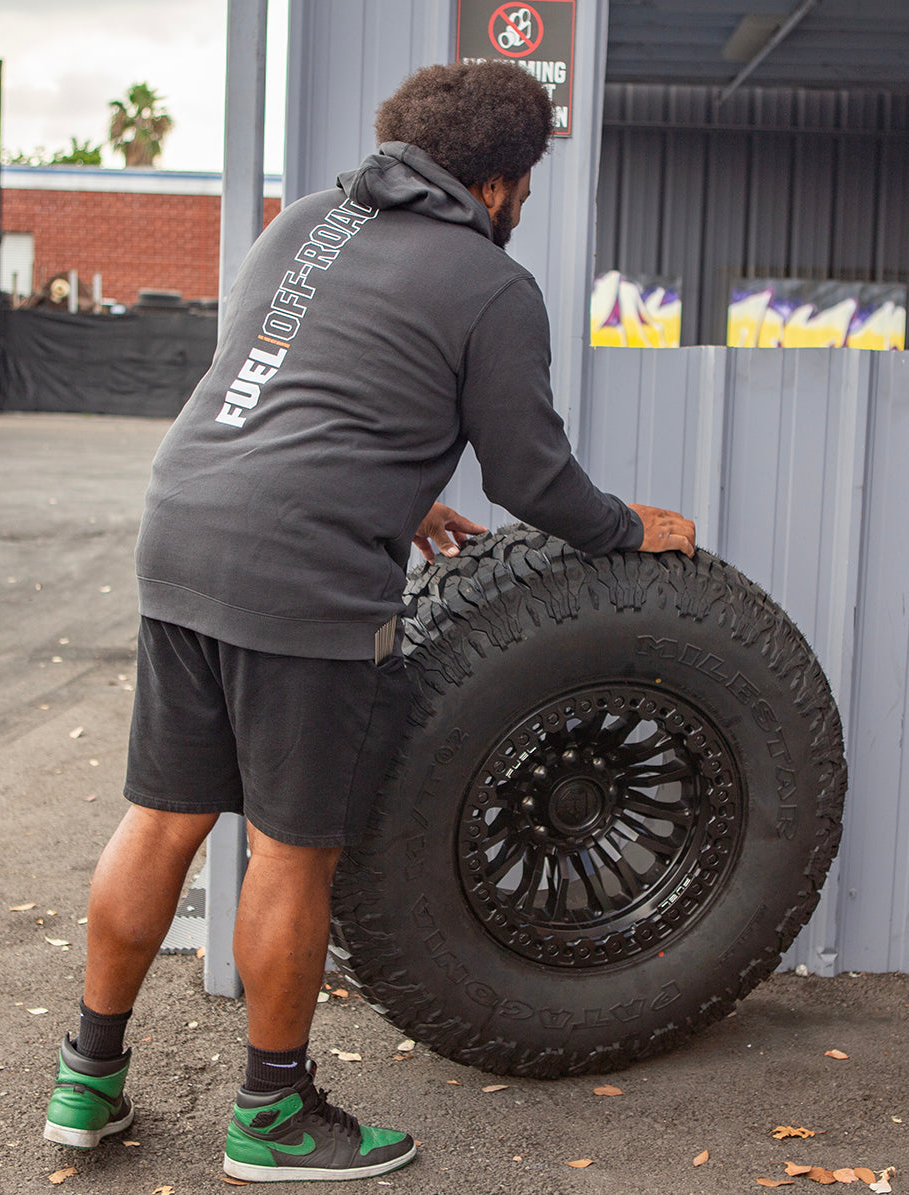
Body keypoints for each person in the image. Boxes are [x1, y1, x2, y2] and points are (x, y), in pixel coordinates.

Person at [42, 60, 694, 1184]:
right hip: (298, 582)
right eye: (526, 185)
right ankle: (272, 1117)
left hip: (185, 533)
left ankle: (84, 1083)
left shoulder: (303, 223)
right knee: (291, 851)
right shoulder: (489, 284)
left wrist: (398, 486)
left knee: (162, 819)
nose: (523, 205)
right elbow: (535, 481)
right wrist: (630, 528)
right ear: (494, 183)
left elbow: (284, 389)